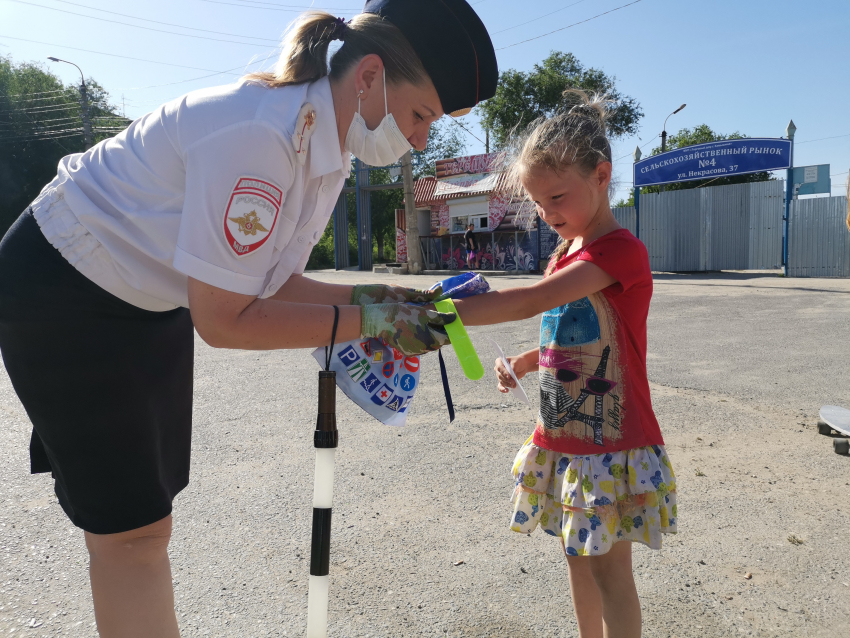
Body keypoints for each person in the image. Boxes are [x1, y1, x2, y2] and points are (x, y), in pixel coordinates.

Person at [0, 1, 497, 635]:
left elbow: (273, 284)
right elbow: (228, 321)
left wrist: (395, 301)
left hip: (148, 292)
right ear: (369, 75)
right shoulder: (265, 134)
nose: (423, 138)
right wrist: (376, 319)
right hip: (65, 288)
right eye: (422, 114)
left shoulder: (326, 144)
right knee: (129, 535)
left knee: (147, 524)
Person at [448, 91, 677, 638]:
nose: (548, 215)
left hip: (611, 438)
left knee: (610, 569)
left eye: (557, 198)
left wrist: (439, 313)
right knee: (577, 554)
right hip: (562, 430)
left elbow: (529, 301)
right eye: (538, 204)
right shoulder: (566, 250)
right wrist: (527, 362)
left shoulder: (618, 252)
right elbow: (563, 335)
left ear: (602, 175)